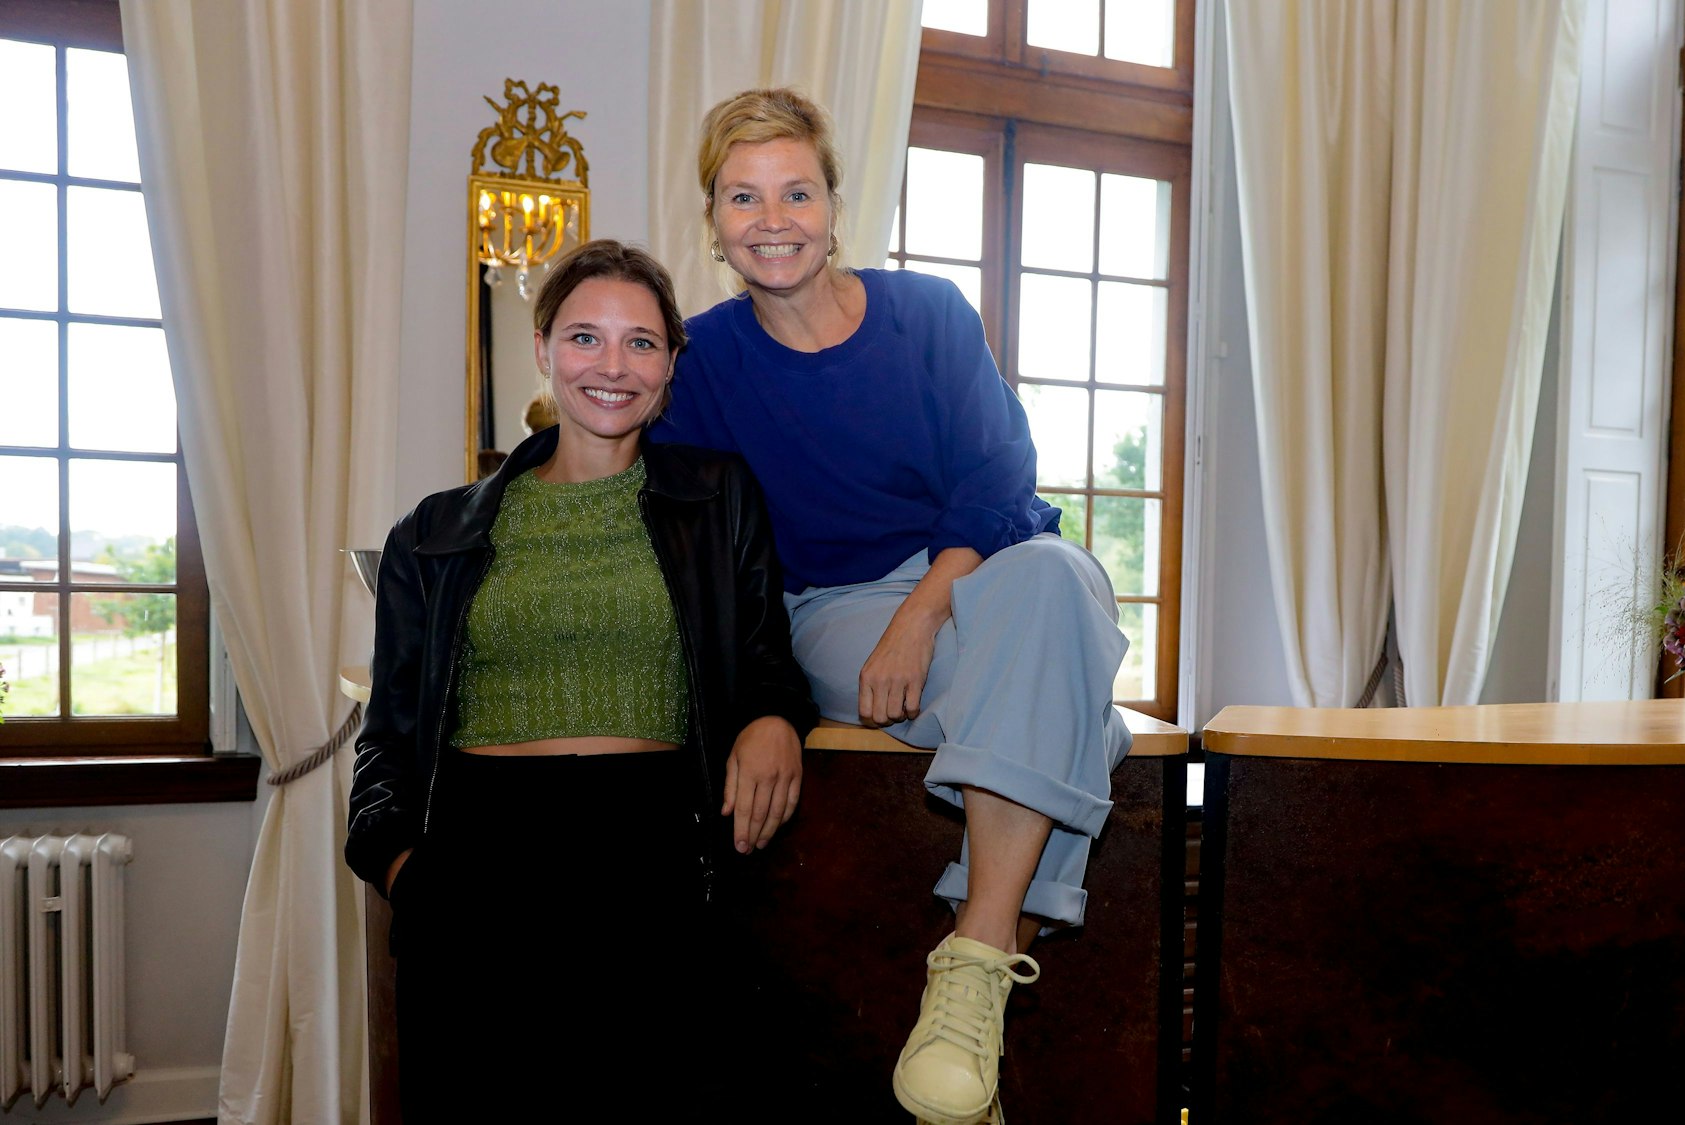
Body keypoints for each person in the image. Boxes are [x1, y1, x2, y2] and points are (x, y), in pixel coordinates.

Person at [652, 87, 1133, 1125]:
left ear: (833, 207)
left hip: (987, 567)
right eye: (743, 196)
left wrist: (923, 612)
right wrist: (758, 701)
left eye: (794, 192)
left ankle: (969, 962)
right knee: (1077, 712)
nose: (771, 218)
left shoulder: (927, 315)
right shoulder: (701, 365)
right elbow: (694, 547)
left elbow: (1001, 486)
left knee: (1054, 580)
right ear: (713, 222)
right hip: (832, 607)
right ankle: (980, 1011)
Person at [345, 239, 817, 1120]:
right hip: (479, 882)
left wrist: (775, 715)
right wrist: (411, 873)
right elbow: (386, 747)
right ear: (543, 348)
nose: (613, 366)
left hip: (655, 879)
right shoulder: (434, 533)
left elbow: (767, 662)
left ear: (672, 363)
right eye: (585, 337)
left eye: (641, 342)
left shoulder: (718, 498)